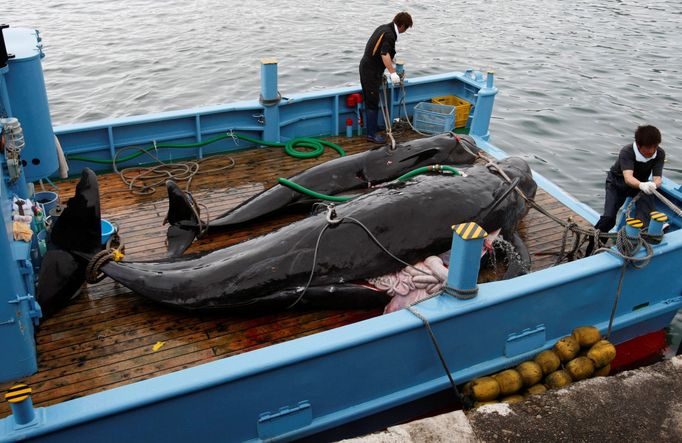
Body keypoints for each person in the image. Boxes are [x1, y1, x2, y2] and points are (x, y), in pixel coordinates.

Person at [590, 125, 665, 249]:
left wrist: (653, 184)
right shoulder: (627, 151)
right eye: (648, 147)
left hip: (641, 187)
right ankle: (594, 244)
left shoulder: (659, 153)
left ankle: (635, 248)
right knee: (608, 219)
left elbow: (658, 178)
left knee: (645, 218)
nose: (652, 151)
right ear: (639, 145)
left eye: (655, 146)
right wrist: (641, 184)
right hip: (617, 184)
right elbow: (628, 177)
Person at [359, 12, 413, 144]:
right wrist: (393, 72)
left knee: (373, 100)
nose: (404, 31)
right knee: (371, 102)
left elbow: (379, 51)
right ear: (401, 26)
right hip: (370, 72)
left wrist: (390, 61)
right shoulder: (390, 35)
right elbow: (384, 53)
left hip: (369, 68)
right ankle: (371, 134)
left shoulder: (383, 28)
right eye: (405, 28)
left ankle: (374, 127)